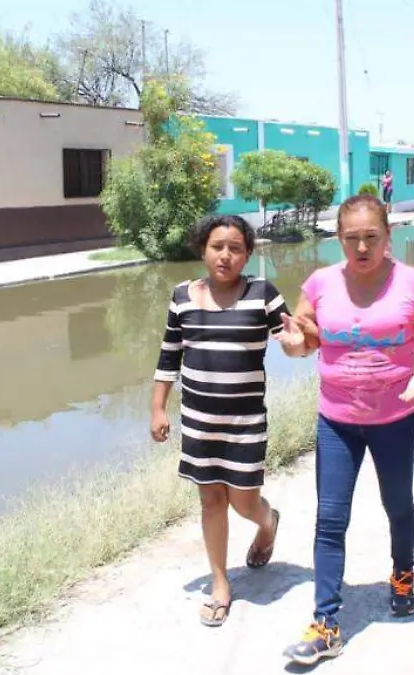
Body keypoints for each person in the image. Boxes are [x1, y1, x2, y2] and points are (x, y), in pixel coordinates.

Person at [276, 194, 414, 666]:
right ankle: (326, 622)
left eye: (372, 237)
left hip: (394, 420)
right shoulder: (320, 284)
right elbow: (304, 340)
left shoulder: (412, 283)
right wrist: (293, 344)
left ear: (388, 236)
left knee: (398, 506)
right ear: (339, 239)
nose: (362, 247)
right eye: (352, 239)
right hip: (336, 420)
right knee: (330, 519)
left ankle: (402, 574)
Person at [151, 215, 306, 627]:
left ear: (248, 254)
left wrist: (296, 344)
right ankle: (221, 583)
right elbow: (169, 356)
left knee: (244, 501)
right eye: (217, 246)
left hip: (245, 421)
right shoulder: (182, 296)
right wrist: (157, 407)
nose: (226, 255)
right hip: (199, 422)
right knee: (210, 501)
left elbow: (292, 342)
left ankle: (267, 522)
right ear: (202, 249)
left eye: (236, 247)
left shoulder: (262, 294)